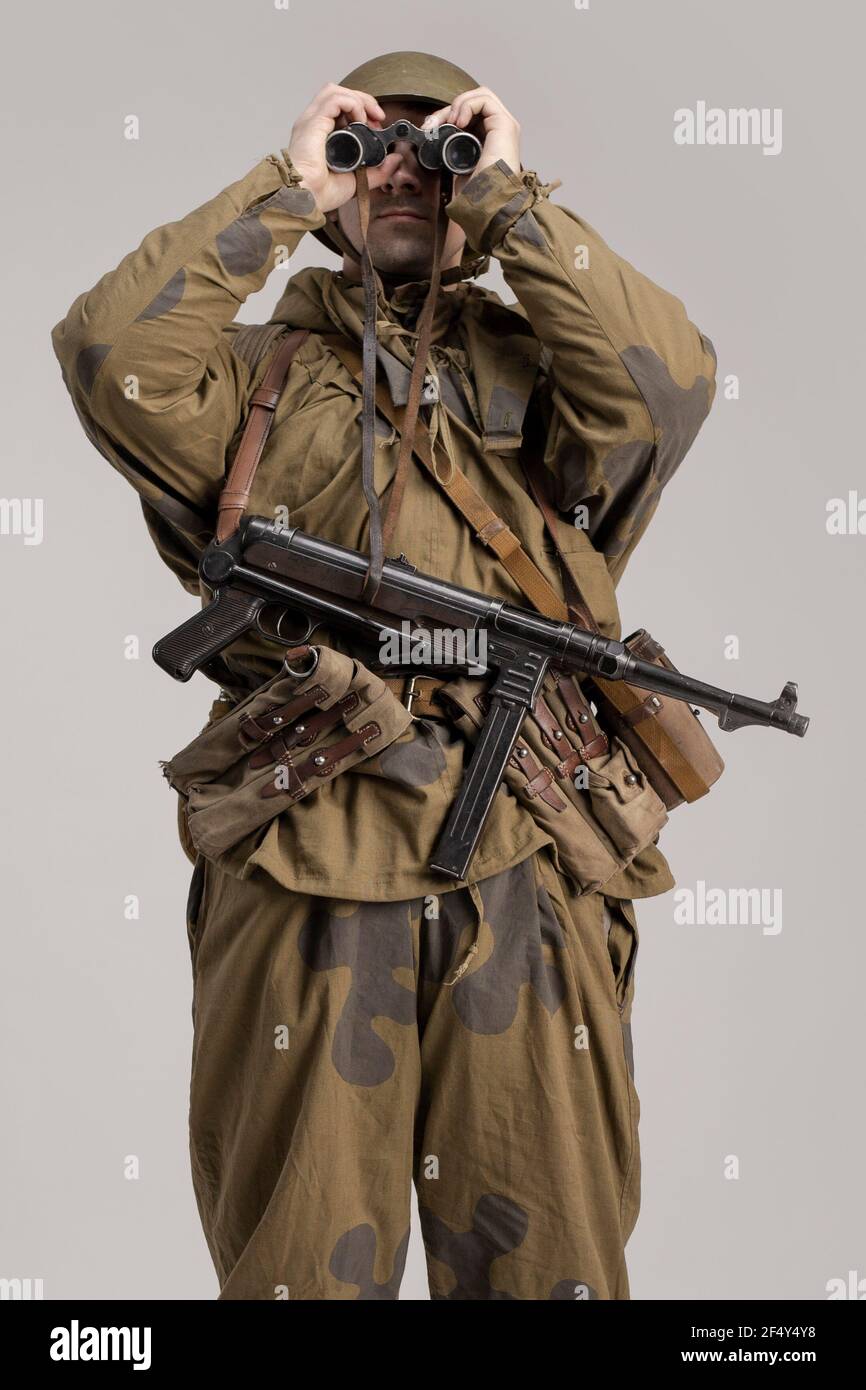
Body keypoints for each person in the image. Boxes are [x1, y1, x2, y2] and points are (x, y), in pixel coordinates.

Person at [51, 50, 717, 1300]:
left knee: (554, 1277)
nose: (406, 169)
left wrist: (513, 201)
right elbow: (105, 353)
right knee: (297, 1274)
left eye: (440, 149)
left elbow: (668, 385)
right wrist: (285, 187)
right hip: (305, 849)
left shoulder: (547, 377)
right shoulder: (246, 382)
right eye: (372, 148)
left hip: (533, 847)